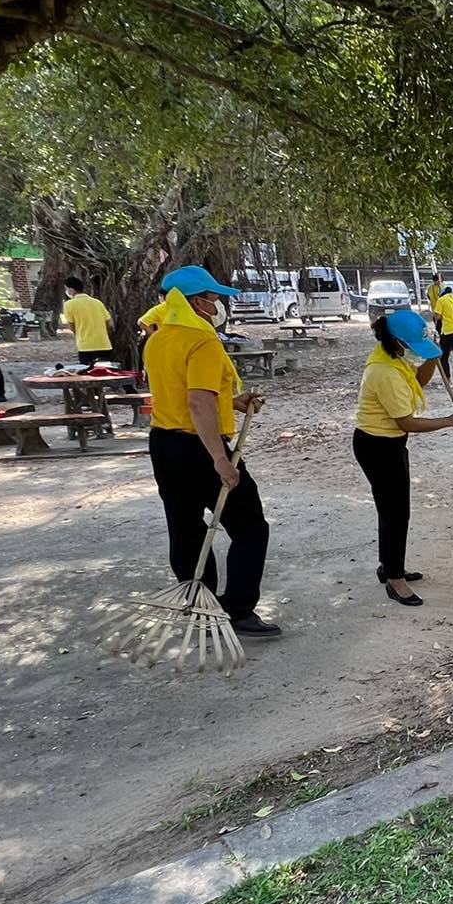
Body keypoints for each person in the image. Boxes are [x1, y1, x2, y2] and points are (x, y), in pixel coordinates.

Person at [142, 265, 280, 639]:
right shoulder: (201, 341)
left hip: (164, 443)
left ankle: (201, 609)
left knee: (185, 528)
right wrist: (220, 458)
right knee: (251, 527)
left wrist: (234, 402)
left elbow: (181, 391)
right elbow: (198, 402)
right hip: (200, 447)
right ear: (193, 302)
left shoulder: (157, 339)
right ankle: (237, 609)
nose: (217, 304)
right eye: (212, 297)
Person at [353, 307, 453, 607]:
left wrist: (432, 357)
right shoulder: (384, 371)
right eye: (412, 346)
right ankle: (395, 580)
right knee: (396, 511)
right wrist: (449, 420)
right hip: (378, 446)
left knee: (391, 508)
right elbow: (406, 422)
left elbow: (417, 381)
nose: (413, 352)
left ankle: (388, 565)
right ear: (397, 341)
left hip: (388, 444)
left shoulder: (391, 358)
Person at [61, 276, 115, 365]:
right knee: (105, 373)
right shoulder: (97, 302)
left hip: (85, 346)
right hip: (104, 344)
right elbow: (110, 323)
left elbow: (72, 327)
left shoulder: (69, 305)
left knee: (88, 373)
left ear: (71, 290)